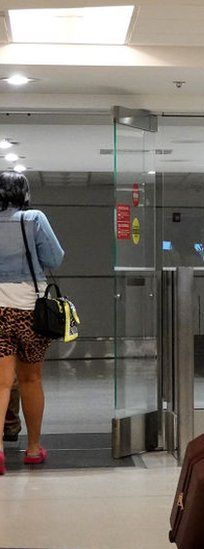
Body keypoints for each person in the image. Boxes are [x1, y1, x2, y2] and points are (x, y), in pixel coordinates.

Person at [0, 171, 65, 475]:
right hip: (30, 310)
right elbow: (54, 258)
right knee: (30, 380)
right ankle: (34, 449)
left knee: (0, 384)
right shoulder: (34, 218)